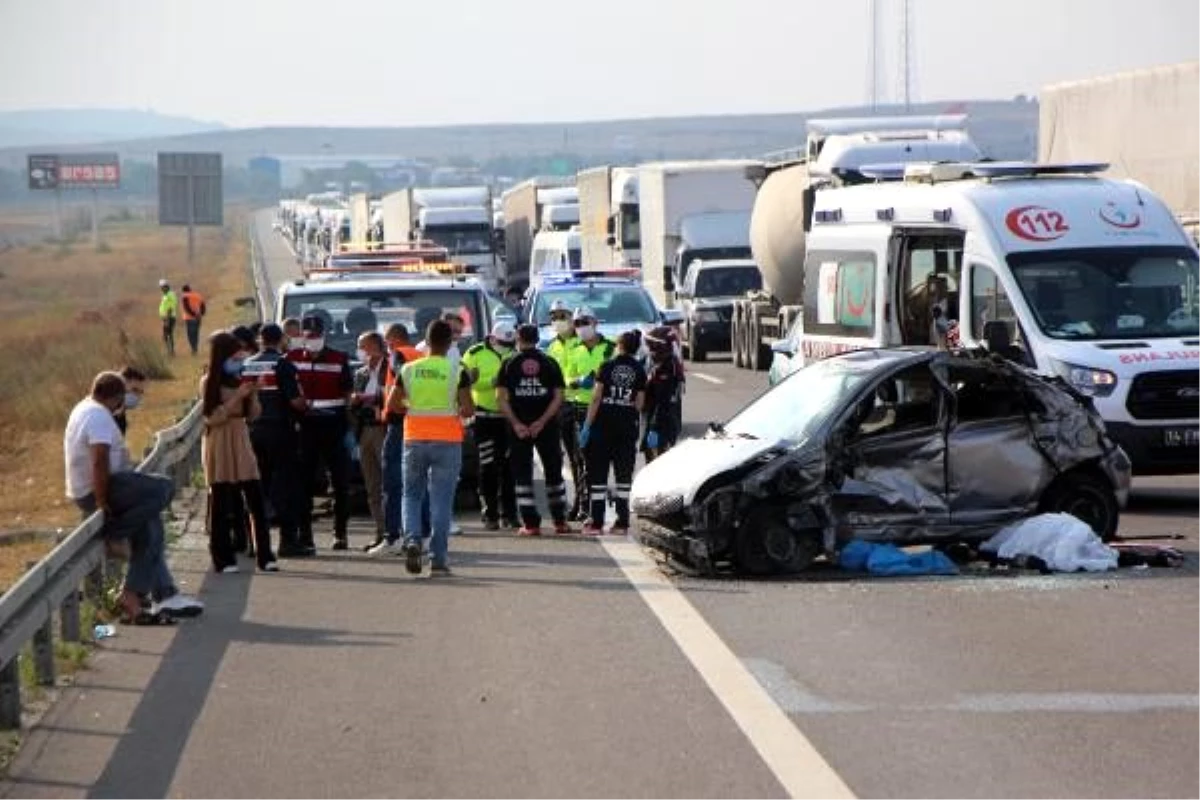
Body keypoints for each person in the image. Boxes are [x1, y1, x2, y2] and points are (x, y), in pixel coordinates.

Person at [65, 371, 203, 622]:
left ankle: (140, 596)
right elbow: (99, 460)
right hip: (102, 487)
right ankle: (115, 533)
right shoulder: (98, 416)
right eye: (127, 396)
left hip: (101, 486)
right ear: (116, 397)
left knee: (151, 531)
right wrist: (102, 501)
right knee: (164, 488)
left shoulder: (86, 408)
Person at [394, 319, 474, 575]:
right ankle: (438, 559)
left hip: (414, 438)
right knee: (441, 499)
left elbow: (394, 404)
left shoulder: (408, 369)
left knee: (411, 494)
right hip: (448, 439)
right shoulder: (456, 371)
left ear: (426, 343)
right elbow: (468, 409)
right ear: (450, 343)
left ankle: (413, 540)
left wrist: (413, 407)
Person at [201, 332, 278, 573]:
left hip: (241, 437)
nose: (237, 361)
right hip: (220, 440)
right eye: (233, 356)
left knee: (255, 496)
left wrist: (253, 393)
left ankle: (265, 555)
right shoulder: (209, 382)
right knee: (221, 500)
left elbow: (253, 415)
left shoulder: (240, 379)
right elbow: (212, 417)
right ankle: (222, 557)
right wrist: (237, 397)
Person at [288, 314, 353, 551]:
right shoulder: (292, 359)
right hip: (305, 427)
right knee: (304, 483)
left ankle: (340, 534)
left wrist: (345, 418)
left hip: (333, 426)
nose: (313, 340)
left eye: (317, 336)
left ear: (324, 335)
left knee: (340, 482)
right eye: (309, 336)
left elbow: (347, 392)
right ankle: (306, 535)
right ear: (302, 337)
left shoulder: (338, 358)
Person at [498, 324, 570, 536]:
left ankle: (530, 524)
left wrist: (517, 423)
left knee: (522, 475)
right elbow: (559, 396)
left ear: (518, 339)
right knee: (554, 472)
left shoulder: (508, 363)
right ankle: (560, 521)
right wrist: (542, 421)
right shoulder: (550, 362)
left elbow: (501, 398)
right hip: (547, 427)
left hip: (518, 427)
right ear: (538, 339)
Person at [243, 323, 308, 558]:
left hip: (252, 432)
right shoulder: (283, 364)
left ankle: (256, 543)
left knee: (257, 487)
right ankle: (288, 542)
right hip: (281, 431)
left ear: (260, 339)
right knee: (286, 487)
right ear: (281, 339)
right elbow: (295, 401)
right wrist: (306, 406)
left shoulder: (247, 365)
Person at [579, 331, 646, 536]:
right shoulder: (639, 370)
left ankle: (596, 522)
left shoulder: (607, 366)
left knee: (598, 476)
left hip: (602, 429)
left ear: (619, 345)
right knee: (623, 477)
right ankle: (622, 522)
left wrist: (587, 426)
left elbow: (596, 397)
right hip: (626, 430)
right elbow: (639, 403)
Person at [372, 323, 425, 553]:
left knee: (392, 481)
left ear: (393, 339)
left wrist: (402, 406)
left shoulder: (398, 354)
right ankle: (420, 534)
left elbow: (402, 377)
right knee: (416, 483)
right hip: (418, 423)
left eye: (386, 340)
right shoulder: (420, 354)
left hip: (399, 423)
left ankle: (392, 536)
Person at [462, 321, 519, 529]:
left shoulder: (516, 352)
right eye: (503, 342)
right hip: (484, 417)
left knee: (510, 468)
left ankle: (510, 514)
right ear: (493, 338)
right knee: (487, 466)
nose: (507, 346)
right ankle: (490, 513)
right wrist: (492, 381)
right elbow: (465, 382)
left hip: (510, 418)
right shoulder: (474, 353)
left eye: (510, 343)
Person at [564, 306, 615, 523]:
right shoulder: (574, 349)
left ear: (595, 323)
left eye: (585, 322)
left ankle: (605, 504)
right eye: (577, 323)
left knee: (603, 460)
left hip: (607, 409)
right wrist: (578, 382)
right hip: (581, 410)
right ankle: (587, 506)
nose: (581, 327)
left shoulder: (611, 347)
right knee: (582, 460)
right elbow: (566, 381)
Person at [351, 331, 389, 546]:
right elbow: (353, 403)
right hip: (365, 431)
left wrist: (373, 398)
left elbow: (395, 395)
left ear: (375, 346)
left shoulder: (392, 368)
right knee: (372, 485)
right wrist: (356, 401)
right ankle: (380, 532)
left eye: (363, 346)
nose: (360, 351)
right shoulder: (361, 373)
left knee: (389, 484)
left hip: (384, 430)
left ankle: (396, 531)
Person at [544, 300, 582, 516]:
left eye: (562, 316)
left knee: (578, 457)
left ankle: (581, 501)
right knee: (560, 456)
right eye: (554, 317)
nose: (558, 321)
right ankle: (568, 501)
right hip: (557, 407)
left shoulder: (582, 343)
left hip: (578, 405)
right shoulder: (552, 346)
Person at [641, 326, 685, 462]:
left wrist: (654, 427)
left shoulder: (666, 368)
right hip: (658, 419)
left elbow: (663, 401)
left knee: (657, 462)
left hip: (661, 423)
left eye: (650, 344)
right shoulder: (660, 363)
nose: (647, 347)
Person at [113, 366, 147, 437]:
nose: (138, 397)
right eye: (135, 390)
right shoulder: (105, 415)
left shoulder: (120, 414)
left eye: (141, 392)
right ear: (125, 382)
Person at [180, 283, 207, 356]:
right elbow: (203, 305)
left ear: (183, 291)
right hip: (198, 318)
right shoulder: (197, 295)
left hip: (189, 318)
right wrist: (201, 314)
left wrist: (193, 315)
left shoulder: (185, 296)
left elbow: (186, 307)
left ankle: (194, 349)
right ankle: (195, 348)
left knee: (190, 335)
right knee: (196, 333)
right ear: (190, 289)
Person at [158, 279, 178, 357]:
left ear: (166, 286)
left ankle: (171, 352)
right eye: (161, 287)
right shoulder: (165, 295)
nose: (162, 289)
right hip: (165, 318)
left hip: (169, 318)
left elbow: (172, 306)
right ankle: (169, 351)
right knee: (166, 335)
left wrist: (167, 319)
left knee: (168, 335)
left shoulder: (170, 294)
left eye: (163, 287)